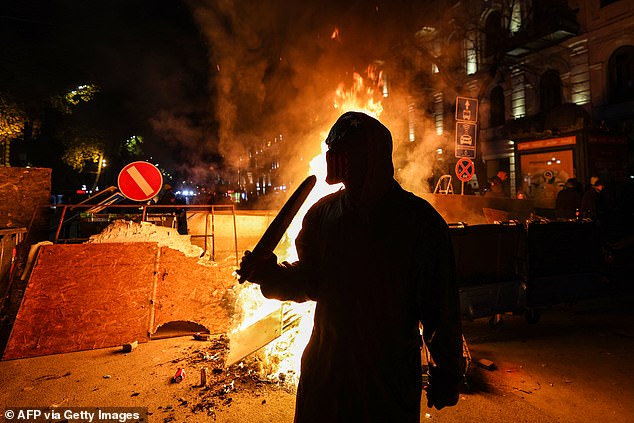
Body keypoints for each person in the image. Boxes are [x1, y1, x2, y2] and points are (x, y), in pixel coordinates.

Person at [238, 112, 464, 422]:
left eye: (347, 152)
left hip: (385, 380)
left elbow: (441, 308)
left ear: (372, 156)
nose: (337, 161)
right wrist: (270, 275)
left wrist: (448, 371)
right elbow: (310, 282)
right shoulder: (323, 214)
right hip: (326, 373)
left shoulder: (419, 223)